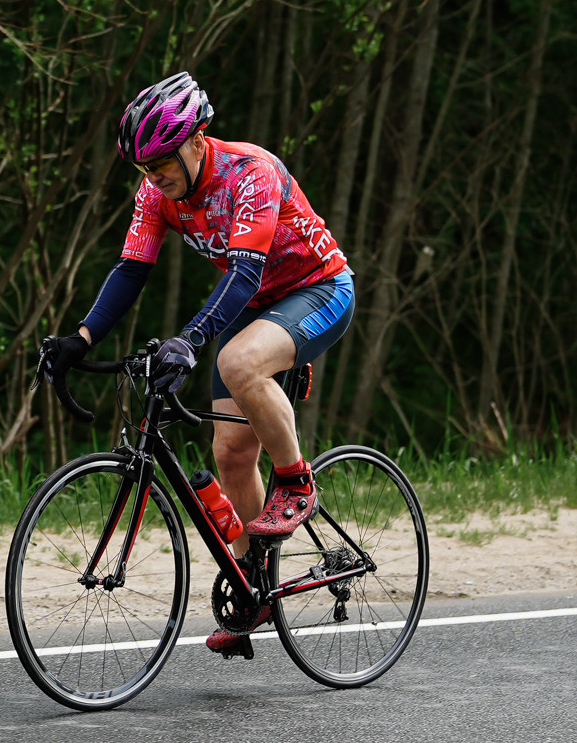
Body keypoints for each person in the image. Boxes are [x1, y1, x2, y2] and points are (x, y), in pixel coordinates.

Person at [39, 71, 355, 656]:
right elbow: (131, 270)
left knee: (237, 361)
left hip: (319, 290)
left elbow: (243, 273)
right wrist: (80, 339)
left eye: (161, 165)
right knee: (231, 453)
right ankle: (255, 587)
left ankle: (296, 481)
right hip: (256, 304)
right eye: (145, 171)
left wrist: (189, 338)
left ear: (194, 141)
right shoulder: (158, 193)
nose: (154, 180)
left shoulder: (249, 172)